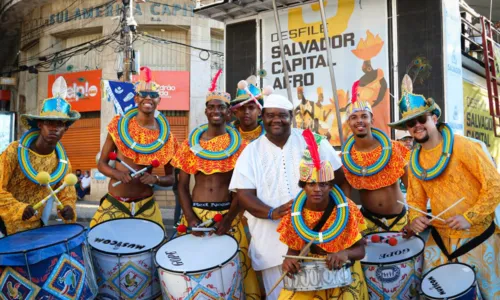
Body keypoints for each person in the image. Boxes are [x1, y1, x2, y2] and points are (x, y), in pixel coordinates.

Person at [389, 75, 500, 299]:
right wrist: (415, 219)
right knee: (433, 293)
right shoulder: (415, 160)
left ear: (435, 117)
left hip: (477, 237)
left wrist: (470, 217)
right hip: (440, 242)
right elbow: (416, 201)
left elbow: (495, 185)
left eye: (421, 119)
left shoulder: (464, 146)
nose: (417, 126)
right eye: (411, 123)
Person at [229, 93, 345, 300]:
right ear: (262, 117)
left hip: (317, 239)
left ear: (291, 117)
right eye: (271, 115)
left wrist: (336, 217)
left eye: (282, 115)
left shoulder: (313, 141)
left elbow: (339, 179)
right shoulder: (251, 152)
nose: (276, 120)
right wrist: (272, 212)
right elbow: (244, 194)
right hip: (271, 242)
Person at [171, 77, 261, 300]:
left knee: (235, 270)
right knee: (195, 270)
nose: (216, 111)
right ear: (205, 111)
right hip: (196, 215)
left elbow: (243, 189)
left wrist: (230, 218)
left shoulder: (240, 146)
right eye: (211, 107)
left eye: (221, 107)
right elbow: (181, 186)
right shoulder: (190, 144)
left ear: (229, 113)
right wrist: (190, 217)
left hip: (228, 216)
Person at [277, 129, 368, 299]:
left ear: (331, 186)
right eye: (311, 184)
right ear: (303, 186)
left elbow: (361, 250)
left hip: (342, 270)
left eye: (323, 184)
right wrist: (289, 261)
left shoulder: (348, 208)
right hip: (309, 272)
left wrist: (344, 254)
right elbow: (293, 251)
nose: (317, 189)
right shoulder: (294, 213)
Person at [90, 67, 177, 229]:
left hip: (146, 206)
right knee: (99, 245)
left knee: (150, 250)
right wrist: (117, 173)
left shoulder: (167, 138)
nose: (148, 98)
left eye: (154, 95)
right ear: (136, 98)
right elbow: (101, 164)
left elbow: (172, 178)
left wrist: (156, 179)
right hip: (115, 203)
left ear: (159, 100)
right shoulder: (118, 126)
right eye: (143, 94)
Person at [0, 79, 79, 235]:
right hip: (3, 225)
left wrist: (68, 209)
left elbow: (67, 194)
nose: (54, 129)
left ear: (65, 129)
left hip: (34, 229)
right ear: (40, 124)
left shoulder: (62, 163)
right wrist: (18, 208)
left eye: (60, 124)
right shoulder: (14, 151)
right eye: (50, 122)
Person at [341, 81, 410, 234]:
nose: (359, 120)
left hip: (401, 221)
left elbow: (413, 188)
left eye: (364, 116)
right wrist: (351, 230)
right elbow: (345, 201)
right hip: (367, 223)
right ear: (349, 123)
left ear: (372, 120)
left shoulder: (395, 149)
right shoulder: (346, 159)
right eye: (354, 117)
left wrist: (414, 218)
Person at [230, 76, 265, 142]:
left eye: (251, 108)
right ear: (236, 111)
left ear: (259, 111)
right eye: (242, 108)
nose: (246, 112)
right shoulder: (227, 134)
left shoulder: (270, 134)